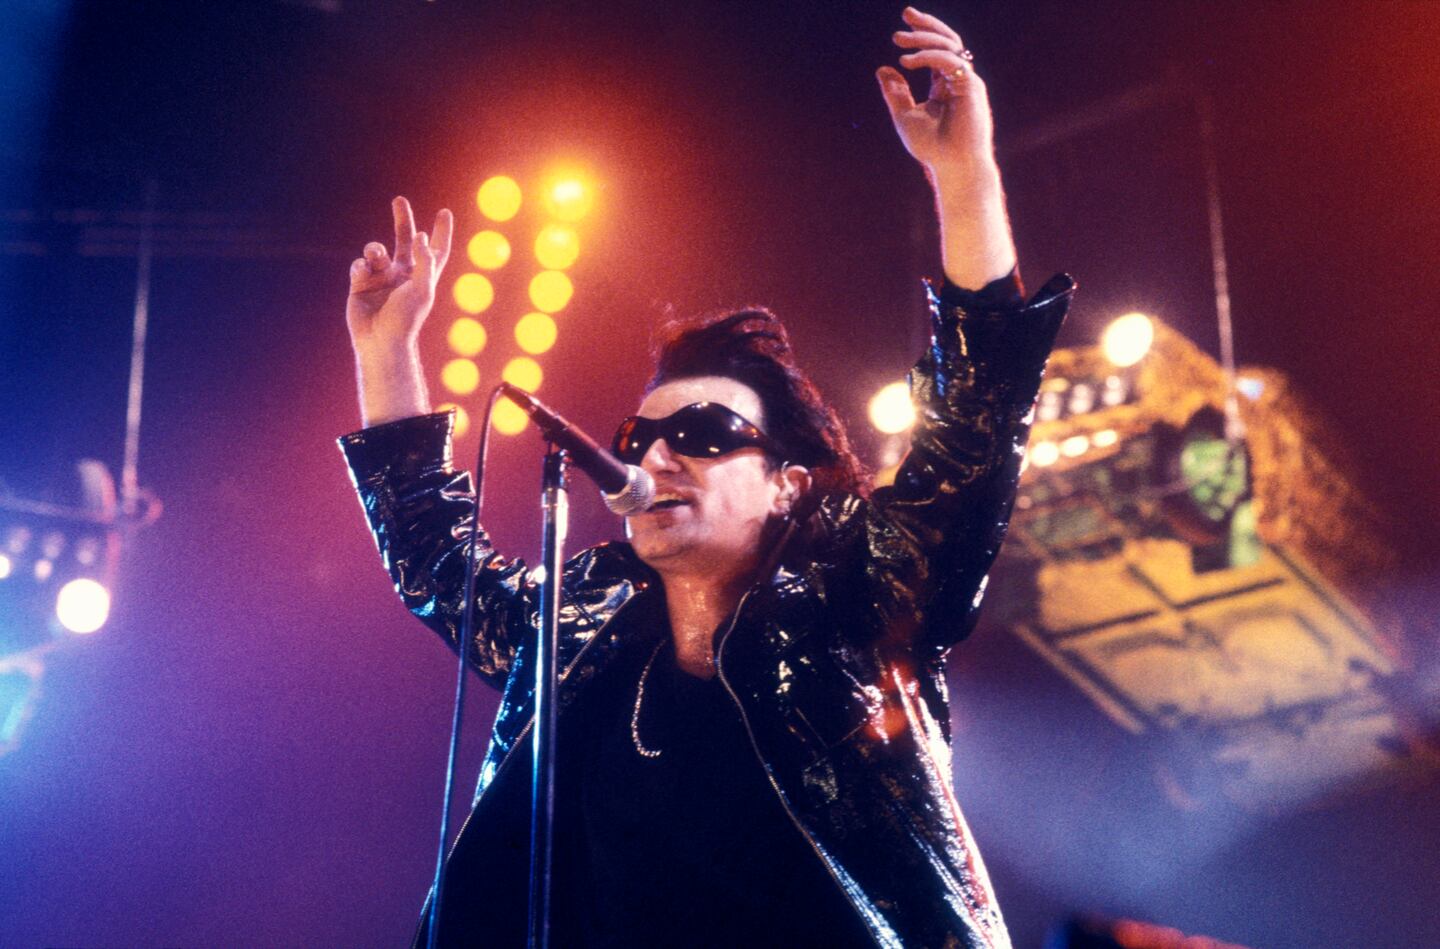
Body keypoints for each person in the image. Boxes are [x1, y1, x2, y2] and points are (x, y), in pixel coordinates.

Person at [339, 7, 1073, 947]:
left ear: (786, 484)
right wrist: (386, 349)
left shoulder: (861, 605)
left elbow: (975, 421)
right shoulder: (578, 624)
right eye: (640, 433)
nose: (657, 453)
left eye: (706, 430)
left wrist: (964, 175)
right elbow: (435, 556)